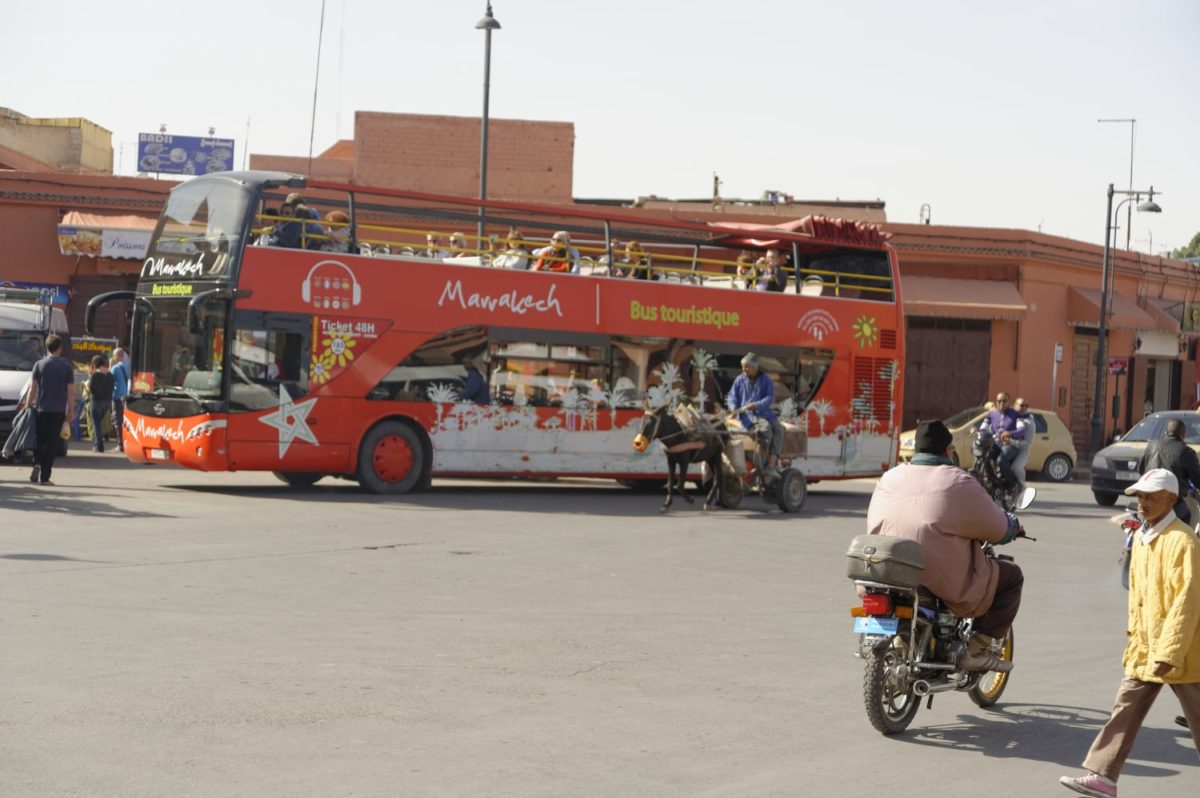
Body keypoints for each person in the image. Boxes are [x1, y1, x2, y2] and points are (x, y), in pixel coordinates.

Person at [1059, 468, 1200, 797]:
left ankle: (1103, 776)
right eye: (1140, 496)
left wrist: (1168, 652)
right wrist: (1138, 642)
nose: (1143, 502)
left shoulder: (1183, 541)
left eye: (1151, 497)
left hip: (1184, 650)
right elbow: (1139, 597)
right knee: (1125, 707)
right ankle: (1103, 776)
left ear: (1171, 500)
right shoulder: (1142, 536)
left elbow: (1187, 602)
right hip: (1147, 647)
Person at [868, 419, 1023, 673]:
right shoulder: (958, 481)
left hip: (885, 569)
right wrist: (1013, 527)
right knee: (1012, 577)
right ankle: (976, 650)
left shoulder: (890, 476)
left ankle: (902, 638)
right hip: (934, 576)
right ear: (948, 451)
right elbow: (996, 529)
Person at [21, 334, 75, 485]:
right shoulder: (66, 367)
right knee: (52, 443)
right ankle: (45, 477)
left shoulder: (39, 365)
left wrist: (27, 404)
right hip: (58, 411)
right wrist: (71, 410)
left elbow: (33, 388)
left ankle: (36, 463)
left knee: (40, 440)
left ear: (47, 347)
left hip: (41, 409)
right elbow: (70, 391)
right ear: (60, 348)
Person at [726, 352, 784, 472]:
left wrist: (756, 405)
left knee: (779, 429)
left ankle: (772, 463)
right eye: (743, 367)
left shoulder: (766, 380)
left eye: (746, 367)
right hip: (746, 416)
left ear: (755, 367)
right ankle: (764, 462)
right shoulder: (739, 379)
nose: (744, 369)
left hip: (764, 413)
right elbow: (732, 396)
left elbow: (770, 398)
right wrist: (732, 407)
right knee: (766, 430)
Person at [1136, 419, 1200, 525]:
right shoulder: (1187, 452)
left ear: (1165, 432)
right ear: (1183, 435)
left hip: (1147, 498)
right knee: (1186, 515)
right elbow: (1197, 480)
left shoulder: (1151, 445)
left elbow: (1141, 469)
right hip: (1171, 503)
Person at [980, 392, 1025, 495]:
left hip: (1011, 445)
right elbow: (984, 427)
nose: (1001, 403)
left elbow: (1022, 430)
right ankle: (993, 480)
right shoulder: (992, 414)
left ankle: (1014, 485)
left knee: (1001, 459)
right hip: (996, 444)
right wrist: (977, 431)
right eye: (999, 401)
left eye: (1004, 401)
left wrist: (1010, 433)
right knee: (985, 456)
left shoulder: (1015, 414)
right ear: (996, 402)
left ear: (1009, 402)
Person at [86, 354, 114, 453]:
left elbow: (91, 387)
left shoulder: (95, 374)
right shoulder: (110, 375)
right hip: (106, 403)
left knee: (96, 424)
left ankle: (99, 446)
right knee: (98, 424)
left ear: (94, 364)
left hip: (96, 401)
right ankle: (96, 444)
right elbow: (111, 388)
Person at [1010, 398, 1034, 492]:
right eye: (1021, 405)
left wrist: (1011, 442)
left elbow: (1027, 443)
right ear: (1014, 405)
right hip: (1007, 448)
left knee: (1015, 467)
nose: (1024, 408)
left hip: (1021, 451)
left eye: (1026, 406)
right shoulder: (1009, 416)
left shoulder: (1029, 422)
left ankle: (1022, 488)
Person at [110, 347, 129, 452]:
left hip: (117, 397)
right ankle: (127, 443)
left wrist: (110, 366)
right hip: (128, 397)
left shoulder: (115, 368)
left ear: (117, 356)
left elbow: (109, 381)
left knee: (118, 421)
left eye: (114, 355)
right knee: (127, 422)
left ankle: (120, 445)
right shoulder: (129, 366)